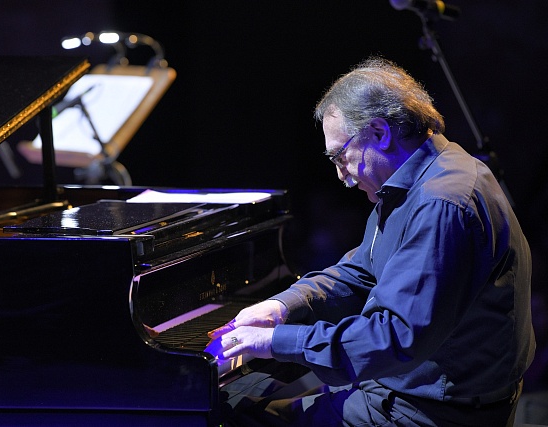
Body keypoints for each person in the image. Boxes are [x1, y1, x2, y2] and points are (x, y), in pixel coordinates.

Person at [207, 57, 535, 426]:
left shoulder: (440, 202)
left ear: (379, 133)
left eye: (340, 156)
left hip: (429, 412)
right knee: (241, 402)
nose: (341, 175)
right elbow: (363, 270)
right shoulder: (427, 177)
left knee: (231, 417)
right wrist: (282, 306)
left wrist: (277, 342)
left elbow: (395, 337)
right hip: (408, 392)